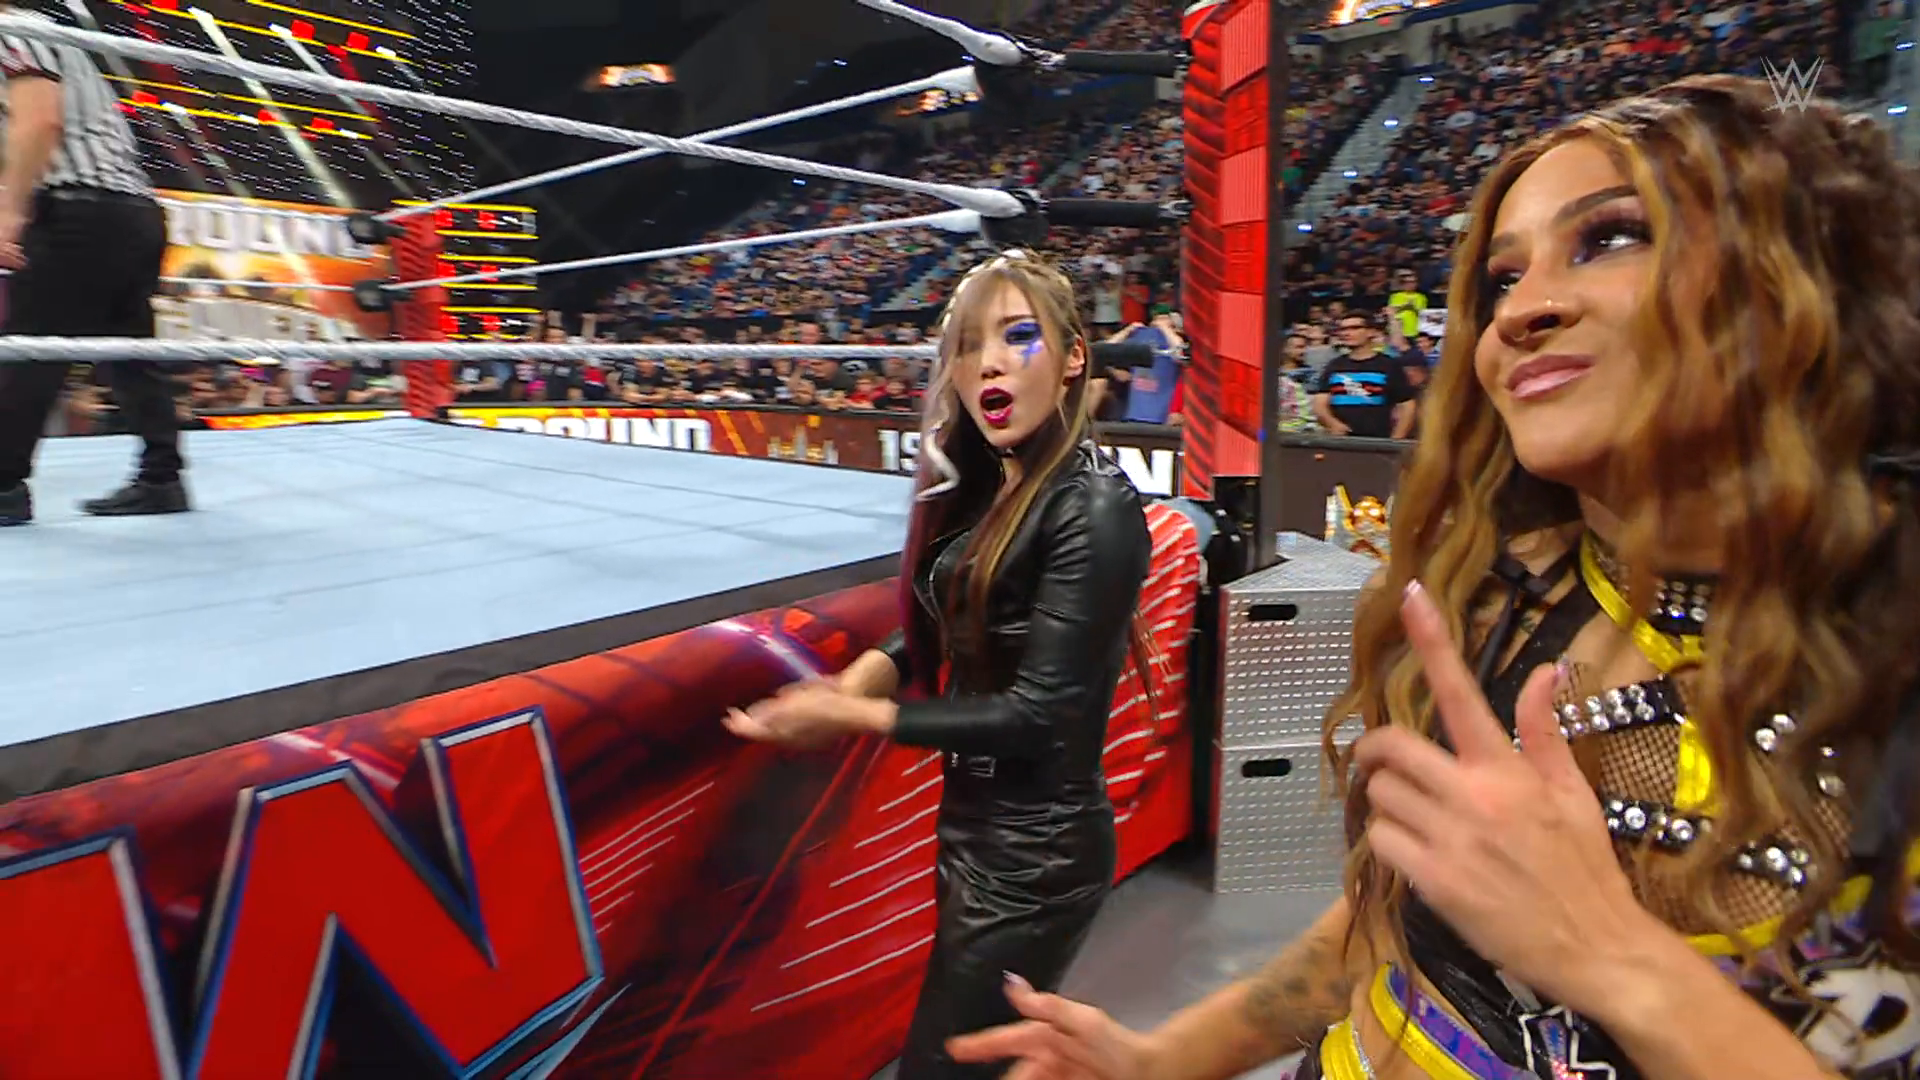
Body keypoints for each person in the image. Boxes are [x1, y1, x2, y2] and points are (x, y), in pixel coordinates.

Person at [945, 75, 1920, 1080]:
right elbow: (1387, 923)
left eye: (1611, 236)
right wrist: (1160, 1059)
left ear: (1793, 274)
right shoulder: (1505, 596)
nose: (1525, 310)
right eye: (1502, 278)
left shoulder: (1891, 672)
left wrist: (1616, 965)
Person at [725, 249, 1157, 1079]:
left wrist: (854, 714)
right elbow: (947, 620)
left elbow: (1040, 714)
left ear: (1074, 358)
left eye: (1017, 336)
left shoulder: (1093, 504)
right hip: (980, 833)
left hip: (1034, 859)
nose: (987, 362)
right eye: (966, 344)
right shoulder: (1001, 487)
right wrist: (864, 676)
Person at [0, 3, 179, 526]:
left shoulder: (8, 30)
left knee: (30, 348)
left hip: (79, 210)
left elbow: (41, 121)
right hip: (133, 211)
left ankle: (3, 486)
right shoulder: (49, 33)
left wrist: (11, 213)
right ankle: (162, 478)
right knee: (129, 354)